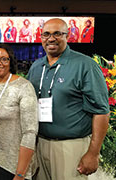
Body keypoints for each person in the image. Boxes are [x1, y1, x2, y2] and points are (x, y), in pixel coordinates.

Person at [27, 18, 109, 180]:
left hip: (70, 146)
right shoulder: (36, 66)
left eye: (57, 33)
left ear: (68, 35)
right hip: (40, 144)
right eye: (46, 34)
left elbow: (101, 112)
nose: (51, 38)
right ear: (41, 37)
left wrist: (93, 153)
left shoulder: (85, 65)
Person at [0, 44, 38, 180]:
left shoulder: (24, 87)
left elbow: (30, 132)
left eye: (4, 59)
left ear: (11, 62)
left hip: (14, 164)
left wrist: (20, 174)